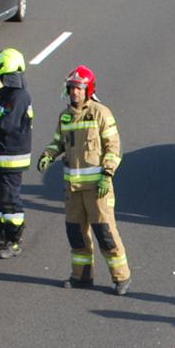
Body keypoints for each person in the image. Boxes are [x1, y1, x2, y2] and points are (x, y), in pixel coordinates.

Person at [37, 66, 130, 295]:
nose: (74, 93)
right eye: (71, 88)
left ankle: (121, 277)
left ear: (88, 90)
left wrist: (107, 175)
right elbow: (59, 142)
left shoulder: (100, 113)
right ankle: (81, 275)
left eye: (78, 88)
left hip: (97, 189)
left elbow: (113, 147)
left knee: (105, 233)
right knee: (76, 233)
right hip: (73, 187)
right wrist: (48, 155)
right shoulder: (65, 116)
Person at [0, 48, 33, 259]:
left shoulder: (19, 96)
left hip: (11, 157)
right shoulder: (9, 96)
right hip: (0, 155)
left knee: (10, 200)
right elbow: (0, 118)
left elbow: (6, 125)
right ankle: (1, 237)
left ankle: (14, 240)